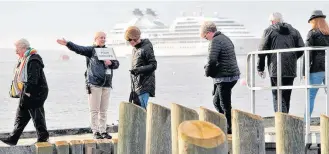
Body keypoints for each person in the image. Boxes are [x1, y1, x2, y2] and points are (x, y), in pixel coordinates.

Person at [56, 32, 119, 139]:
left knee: (103, 110)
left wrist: (111, 63)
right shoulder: (91, 50)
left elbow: (116, 64)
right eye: (101, 38)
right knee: (94, 110)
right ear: (95, 39)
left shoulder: (109, 51)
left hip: (107, 84)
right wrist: (68, 43)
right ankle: (96, 132)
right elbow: (78, 49)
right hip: (94, 84)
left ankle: (103, 131)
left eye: (104, 38)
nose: (103, 39)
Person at [1, 39, 49, 146]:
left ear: (23, 48)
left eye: (17, 49)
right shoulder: (24, 59)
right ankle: (13, 138)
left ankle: (43, 138)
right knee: (21, 116)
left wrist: (27, 93)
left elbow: (33, 80)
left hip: (36, 93)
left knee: (37, 116)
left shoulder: (33, 59)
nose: (15, 51)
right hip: (27, 92)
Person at [257, 12, 304, 113]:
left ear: (273, 21)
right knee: (286, 96)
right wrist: (292, 58)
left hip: (275, 69)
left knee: (277, 96)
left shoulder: (268, 31)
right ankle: (286, 120)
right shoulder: (294, 31)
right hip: (290, 69)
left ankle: (281, 122)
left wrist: (260, 68)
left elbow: (262, 51)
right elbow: (301, 48)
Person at [200, 21, 240, 134]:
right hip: (232, 75)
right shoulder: (225, 38)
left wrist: (207, 72)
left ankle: (229, 128)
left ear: (208, 33)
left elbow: (211, 60)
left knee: (224, 103)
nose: (205, 39)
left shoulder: (215, 41)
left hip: (225, 77)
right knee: (217, 102)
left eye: (205, 37)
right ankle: (227, 124)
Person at [124, 26, 157, 109]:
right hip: (136, 86)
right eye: (128, 40)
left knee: (142, 110)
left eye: (129, 40)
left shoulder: (146, 47)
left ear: (135, 38)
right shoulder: (135, 49)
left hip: (145, 85)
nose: (129, 42)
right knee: (136, 111)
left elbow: (153, 65)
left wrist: (138, 70)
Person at [304, 10, 329, 117]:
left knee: (311, 95)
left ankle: (306, 122)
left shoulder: (312, 33)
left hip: (317, 68)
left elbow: (307, 53)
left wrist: (304, 71)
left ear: (313, 21)